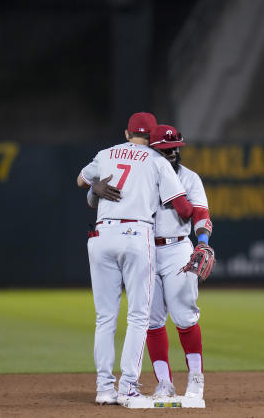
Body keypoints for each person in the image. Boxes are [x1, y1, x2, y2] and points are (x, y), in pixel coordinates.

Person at [77, 112, 196, 407]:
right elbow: (182, 207)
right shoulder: (157, 161)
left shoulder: (105, 154)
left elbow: (81, 180)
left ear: (127, 133)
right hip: (135, 234)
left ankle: (104, 388)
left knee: (104, 317)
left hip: (101, 236)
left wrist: (94, 188)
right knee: (139, 317)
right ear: (153, 135)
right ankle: (128, 387)